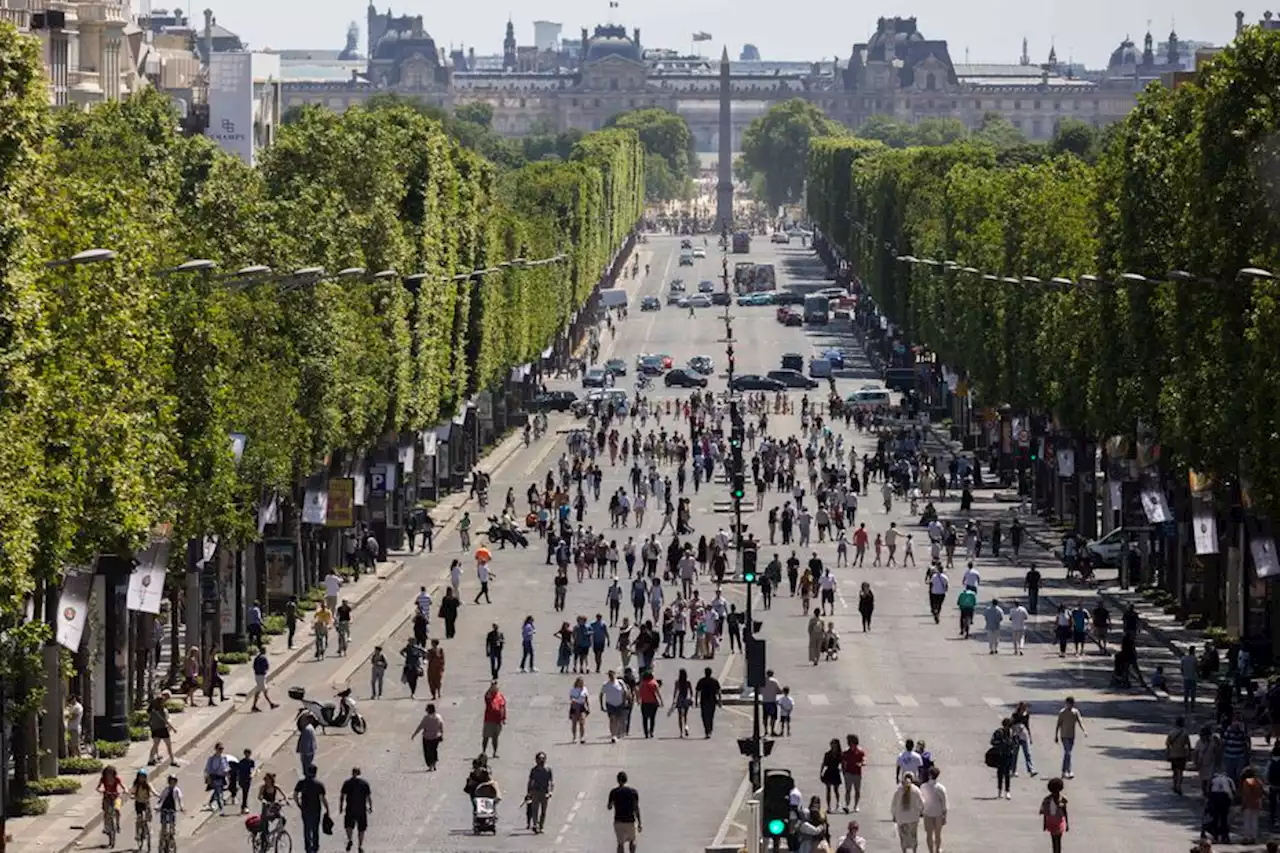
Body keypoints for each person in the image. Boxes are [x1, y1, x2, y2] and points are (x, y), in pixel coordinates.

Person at [293, 765, 330, 853]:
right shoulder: (319, 784)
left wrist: (298, 804)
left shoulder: (301, 783)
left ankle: (307, 847)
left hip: (305, 808)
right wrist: (327, 809)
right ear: (315, 773)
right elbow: (322, 798)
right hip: (316, 809)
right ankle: (315, 846)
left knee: (306, 828)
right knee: (315, 828)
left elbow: (295, 795)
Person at [339, 766, 373, 853]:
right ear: (359, 773)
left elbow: (342, 796)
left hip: (350, 808)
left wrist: (341, 806)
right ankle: (360, 846)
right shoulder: (365, 783)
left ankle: (350, 839)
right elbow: (368, 797)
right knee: (361, 829)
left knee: (348, 826)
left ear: (352, 773)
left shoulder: (347, 783)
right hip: (361, 809)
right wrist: (370, 807)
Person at [607, 771, 642, 853]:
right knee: (632, 841)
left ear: (617, 780)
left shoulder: (614, 792)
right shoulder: (633, 792)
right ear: (626, 780)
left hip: (618, 821)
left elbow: (609, 807)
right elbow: (636, 808)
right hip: (630, 821)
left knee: (620, 843)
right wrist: (639, 823)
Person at [890, 772, 925, 853]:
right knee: (913, 836)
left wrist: (894, 815)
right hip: (913, 818)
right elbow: (922, 803)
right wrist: (920, 812)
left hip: (901, 818)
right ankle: (914, 851)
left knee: (903, 837)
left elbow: (894, 804)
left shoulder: (899, 790)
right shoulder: (916, 789)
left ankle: (904, 851)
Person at [1053, 697, 1086, 779]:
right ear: (1066, 703)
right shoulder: (1062, 712)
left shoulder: (1075, 712)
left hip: (1072, 736)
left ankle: (1064, 772)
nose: (1070, 705)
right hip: (1064, 735)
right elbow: (1058, 724)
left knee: (1068, 754)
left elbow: (1080, 721)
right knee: (1068, 753)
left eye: (1071, 704)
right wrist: (1056, 736)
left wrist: (1084, 731)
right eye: (1068, 703)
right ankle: (1069, 771)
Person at [920, 766, 947, 853]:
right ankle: (937, 850)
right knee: (938, 834)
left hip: (927, 813)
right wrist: (944, 816)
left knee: (929, 834)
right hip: (938, 813)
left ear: (930, 775)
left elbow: (921, 800)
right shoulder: (940, 788)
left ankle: (931, 851)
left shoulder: (923, 786)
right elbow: (944, 802)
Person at [410, 703, 444, 771]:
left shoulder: (426, 718)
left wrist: (414, 734)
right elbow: (441, 726)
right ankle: (434, 764)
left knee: (428, 752)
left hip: (427, 738)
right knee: (434, 750)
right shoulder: (438, 717)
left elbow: (420, 727)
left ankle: (430, 765)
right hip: (436, 737)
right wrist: (442, 734)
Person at [526, 752, 554, 834]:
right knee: (535, 809)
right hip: (535, 792)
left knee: (543, 811)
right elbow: (531, 781)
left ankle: (541, 826)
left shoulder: (548, 770)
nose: (541, 760)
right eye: (539, 758)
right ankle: (535, 824)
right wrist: (529, 792)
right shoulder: (534, 770)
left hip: (544, 792)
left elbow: (551, 782)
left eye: (543, 758)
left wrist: (550, 792)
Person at [990, 718, 1018, 800]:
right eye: (1007, 726)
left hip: (1009, 755)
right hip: (1000, 755)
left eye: (1009, 726)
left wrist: (1011, 744)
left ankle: (1007, 791)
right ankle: (999, 791)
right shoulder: (998, 732)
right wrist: (1001, 743)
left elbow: (1016, 742)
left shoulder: (1012, 733)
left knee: (1007, 774)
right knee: (1000, 773)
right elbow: (992, 742)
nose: (1008, 728)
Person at [1039, 778, 1068, 853]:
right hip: (1054, 822)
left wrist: (1045, 824)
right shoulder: (1050, 800)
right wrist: (1045, 824)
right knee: (1056, 840)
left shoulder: (1049, 799)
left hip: (1056, 822)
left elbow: (1064, 812)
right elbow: (1065, 812)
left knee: (1056, 840)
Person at [146, 694, 177, 766]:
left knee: (155, 745)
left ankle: (150, 759)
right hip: (163, 729)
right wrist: (173, 728)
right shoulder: (163, 710)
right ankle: (172, 760)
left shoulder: (152, 711)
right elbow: (166, 721)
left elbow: (149, 720)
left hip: (155, 729)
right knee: (169, 746)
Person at [1166, 716, 1193, 795]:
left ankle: (1174, 785)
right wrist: (1189, 754)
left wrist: (1167, 754)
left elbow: (1168, 745)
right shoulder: (1185, 733)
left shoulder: (1171, 732)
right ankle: (1179, 786)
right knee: (1180, 772)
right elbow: (1188, 745)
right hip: (1182, 755)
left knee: (1174, 771)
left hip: (1173, 754)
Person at [840, 734, 865, 813]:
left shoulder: (860, 752)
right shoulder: (846, 753)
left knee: (857, 790)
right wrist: (844, 772)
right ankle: (847, 805)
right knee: (848, 790)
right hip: (848, 773)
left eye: (851, 742)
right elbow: (843, 763)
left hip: (857, 773)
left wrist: (861, 764)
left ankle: (856, 805)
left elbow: (863, 760)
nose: (850, 744)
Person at [203, 742, 230, 815]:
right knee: (219, 794)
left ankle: (210, 803)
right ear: (216, 749)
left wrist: (226, 772)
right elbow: (207, 769)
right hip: (214, 778)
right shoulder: (211, 759)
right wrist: (207, 777)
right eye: (219, 748)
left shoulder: (224, 758)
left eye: (222, 748)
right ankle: (221, 809)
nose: (221, 750)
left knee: (217, 792)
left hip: (221, 778)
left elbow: (227, 767)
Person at [694, 666, 721, 738]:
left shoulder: (701, 681)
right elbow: (718, 692)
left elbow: (697, 692)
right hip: (712, 701)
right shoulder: (714, 681)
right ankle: (710, 730)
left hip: (704, 701)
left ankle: (707, 730)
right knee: (711, 716)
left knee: (704, 716)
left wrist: (696, 701)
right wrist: (720, 701)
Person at [250, 647, 279, 711]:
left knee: (259, 691)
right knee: (263, 691)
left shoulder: (257, 658)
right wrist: (264, 670)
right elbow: (267, 666)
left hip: (257, 675)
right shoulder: (263, 658)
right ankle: (271, 704)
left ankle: (255, 706)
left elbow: (254, 666)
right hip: (261, 676)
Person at [482, 680, 507, 758]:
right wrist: (490, 687)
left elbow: (503, 707)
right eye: (493, 686)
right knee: (486, 737)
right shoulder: (489, 695)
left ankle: (494, 752)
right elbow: (486, 696)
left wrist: (504, 718)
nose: (494, 687)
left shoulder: (500, 696)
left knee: (495, 737)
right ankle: (483, 752)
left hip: (498, 720)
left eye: (495, 686)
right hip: (489, 719)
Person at [1241, 766, 1264, 844]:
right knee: (1254, 821)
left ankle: (1246, 838)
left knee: (1247, 821)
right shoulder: (1258, 781)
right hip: (1257, 803)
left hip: (1248, 804)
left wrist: (1243, 804)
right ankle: (1253, 837)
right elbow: (1261, 793)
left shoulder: (1247, 782)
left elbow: (1246, 795)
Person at [821, 739, 843, 813]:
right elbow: (824, 763)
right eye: (832, 744)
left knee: (836, 790)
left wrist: (843, 770)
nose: (833, 746)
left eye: (834, 744)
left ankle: (838, 803)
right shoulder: (827, 754)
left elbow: (842, 763)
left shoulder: (840, 754)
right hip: (829, 772)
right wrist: (821, 772)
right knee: (828, 789)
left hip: (836, 772)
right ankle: (829, 806)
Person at [569, 677, 590, 744]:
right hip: (574, 706)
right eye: (580, 682)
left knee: (582, 723)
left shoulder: (585, 689)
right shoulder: (573, 690)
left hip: (582, 706)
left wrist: (588, 708)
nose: (581, 683)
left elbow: (586, 699)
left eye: (582, 682)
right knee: (574, 723)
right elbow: (571, 699)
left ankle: (582, 737)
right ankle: (574, 737)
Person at [66, 693, 84, 757]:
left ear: (74, 699)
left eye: (70, 700)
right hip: (70, 728)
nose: (69, 702)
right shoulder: (72, 706)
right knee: (71, 746)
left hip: (75, 728)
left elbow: (74, 717)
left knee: (75, 745)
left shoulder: (77, 707)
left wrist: (66, 715)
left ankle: (79, 758)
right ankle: (73, 758)